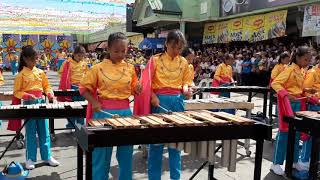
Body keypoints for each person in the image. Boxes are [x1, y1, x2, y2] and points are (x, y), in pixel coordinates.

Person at [80, 32, 142, 180]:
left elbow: (134, 89)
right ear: (108, 49)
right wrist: (94, 102)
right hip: (103, 113)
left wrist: (137, 89)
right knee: (101, 156)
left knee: (126, 155)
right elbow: (83, 89)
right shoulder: (97, 68)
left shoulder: (130, 68)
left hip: (126, 114)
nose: (120, 54)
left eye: (124, 51)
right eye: (116, 51)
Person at [13, 45, 60, 170]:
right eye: (33, 59)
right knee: (30, 131)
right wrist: (27, 95)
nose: (35, 61)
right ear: (25, 59)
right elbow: (17, 92)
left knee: (44, 130)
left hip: (41, 103)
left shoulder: (40, 72)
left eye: (36, 59)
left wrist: (50, 94)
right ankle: (30, 159)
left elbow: (47, 87)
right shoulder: (20, 75)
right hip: (29, 104)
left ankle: (47, 156)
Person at [270, 46, 312, 176]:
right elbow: (275, 84)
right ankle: (275, 163)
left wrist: (307, 91)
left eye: (309, 60)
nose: (308, 63)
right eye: (306, 60)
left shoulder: (302, 71)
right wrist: (286, 94)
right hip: (287, 104)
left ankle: (294, 161)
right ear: (298, 58)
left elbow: (298, 88)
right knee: (284, 133)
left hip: (298, 104)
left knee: (297, 133)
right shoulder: (289, 69)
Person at [59, 46, 88, 129]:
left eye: (82, 56)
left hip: (81, 88)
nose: (80, 58)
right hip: (71, 87)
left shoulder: (84, 63)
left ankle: (80, 126)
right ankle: (70, 126)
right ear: (74, 54)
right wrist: (67, 83)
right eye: (79, 56)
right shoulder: (67, 62)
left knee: (81, 108)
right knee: (72, 108)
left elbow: (87, 74)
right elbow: (61, 73)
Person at [298, 60, 320, 171]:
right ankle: (304, 160)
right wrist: (316, 100)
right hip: (314, 107)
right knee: (310, 135)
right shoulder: (312, 72)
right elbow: (305, 91)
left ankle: (315, 160)